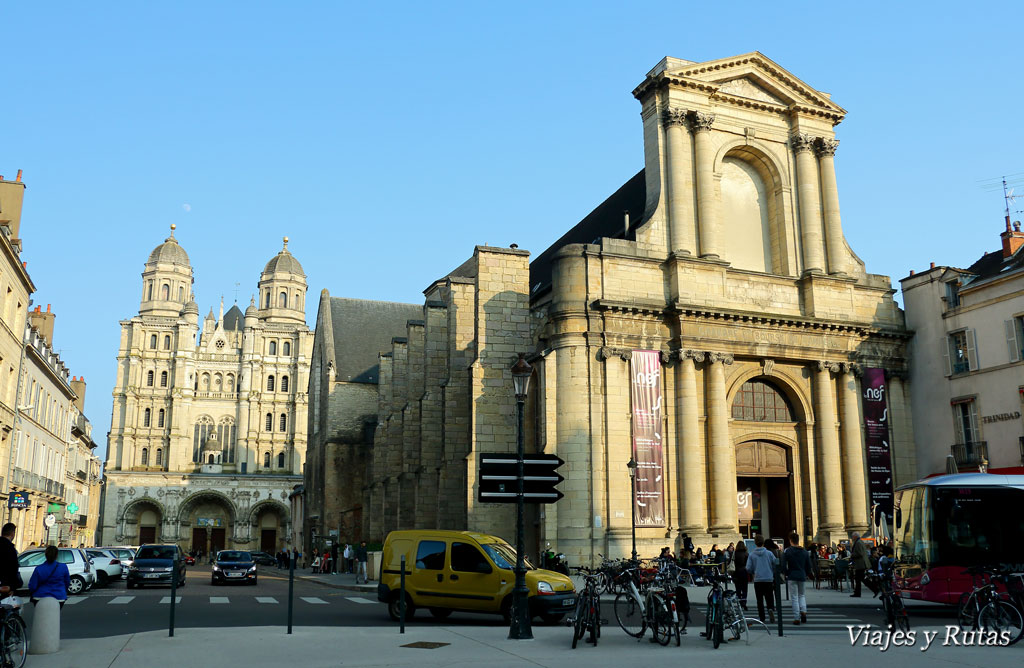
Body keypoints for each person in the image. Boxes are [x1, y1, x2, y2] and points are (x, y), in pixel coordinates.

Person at [781, 533, 812, 625]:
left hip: (792, 575)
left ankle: (796, 617)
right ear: (798, 540)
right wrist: (806, 573)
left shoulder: (787, 551)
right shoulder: (805, 552)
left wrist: (786, 573)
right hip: (802, 575)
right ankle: (803, 611)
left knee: (794, 597)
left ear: (790, 540)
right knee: (801, 595)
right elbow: (808, 566)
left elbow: (783, 564)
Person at [746, 535, 777, 623]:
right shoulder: (769, 553)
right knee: (769, 597)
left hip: (758, 579)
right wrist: (771, 571)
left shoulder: (752, 554)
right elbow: (775, 563)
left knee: (759, 600)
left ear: (755, 543)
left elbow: (748, 568)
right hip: (768, 578)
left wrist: (753, 571)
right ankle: (770, 608)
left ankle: (762, 617)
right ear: (763, 542)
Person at [0, 523, 21, 593]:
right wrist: (12, 586)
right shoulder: (10, 548)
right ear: (12, 533)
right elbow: (13, 568)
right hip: (5, 585)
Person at [850, 532, 870, 597]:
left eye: (852, 536)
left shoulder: (858, 543)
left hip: (861, 564)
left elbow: (860, 553)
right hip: (860, 564)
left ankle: (875, 589)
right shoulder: (859, 542)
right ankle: (857, 593)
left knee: (861, 579)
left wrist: (852, 555)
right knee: (858, 579)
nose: (852, 538)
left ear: (855, 536)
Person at [731, 541, 749, 610]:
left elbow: (732, 562)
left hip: (736, 572)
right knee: (745, 588)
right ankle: (744, 602)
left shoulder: (734, 553)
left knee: (738, 589)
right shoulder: (746, 553)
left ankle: (739, 603)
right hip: (744, 571)